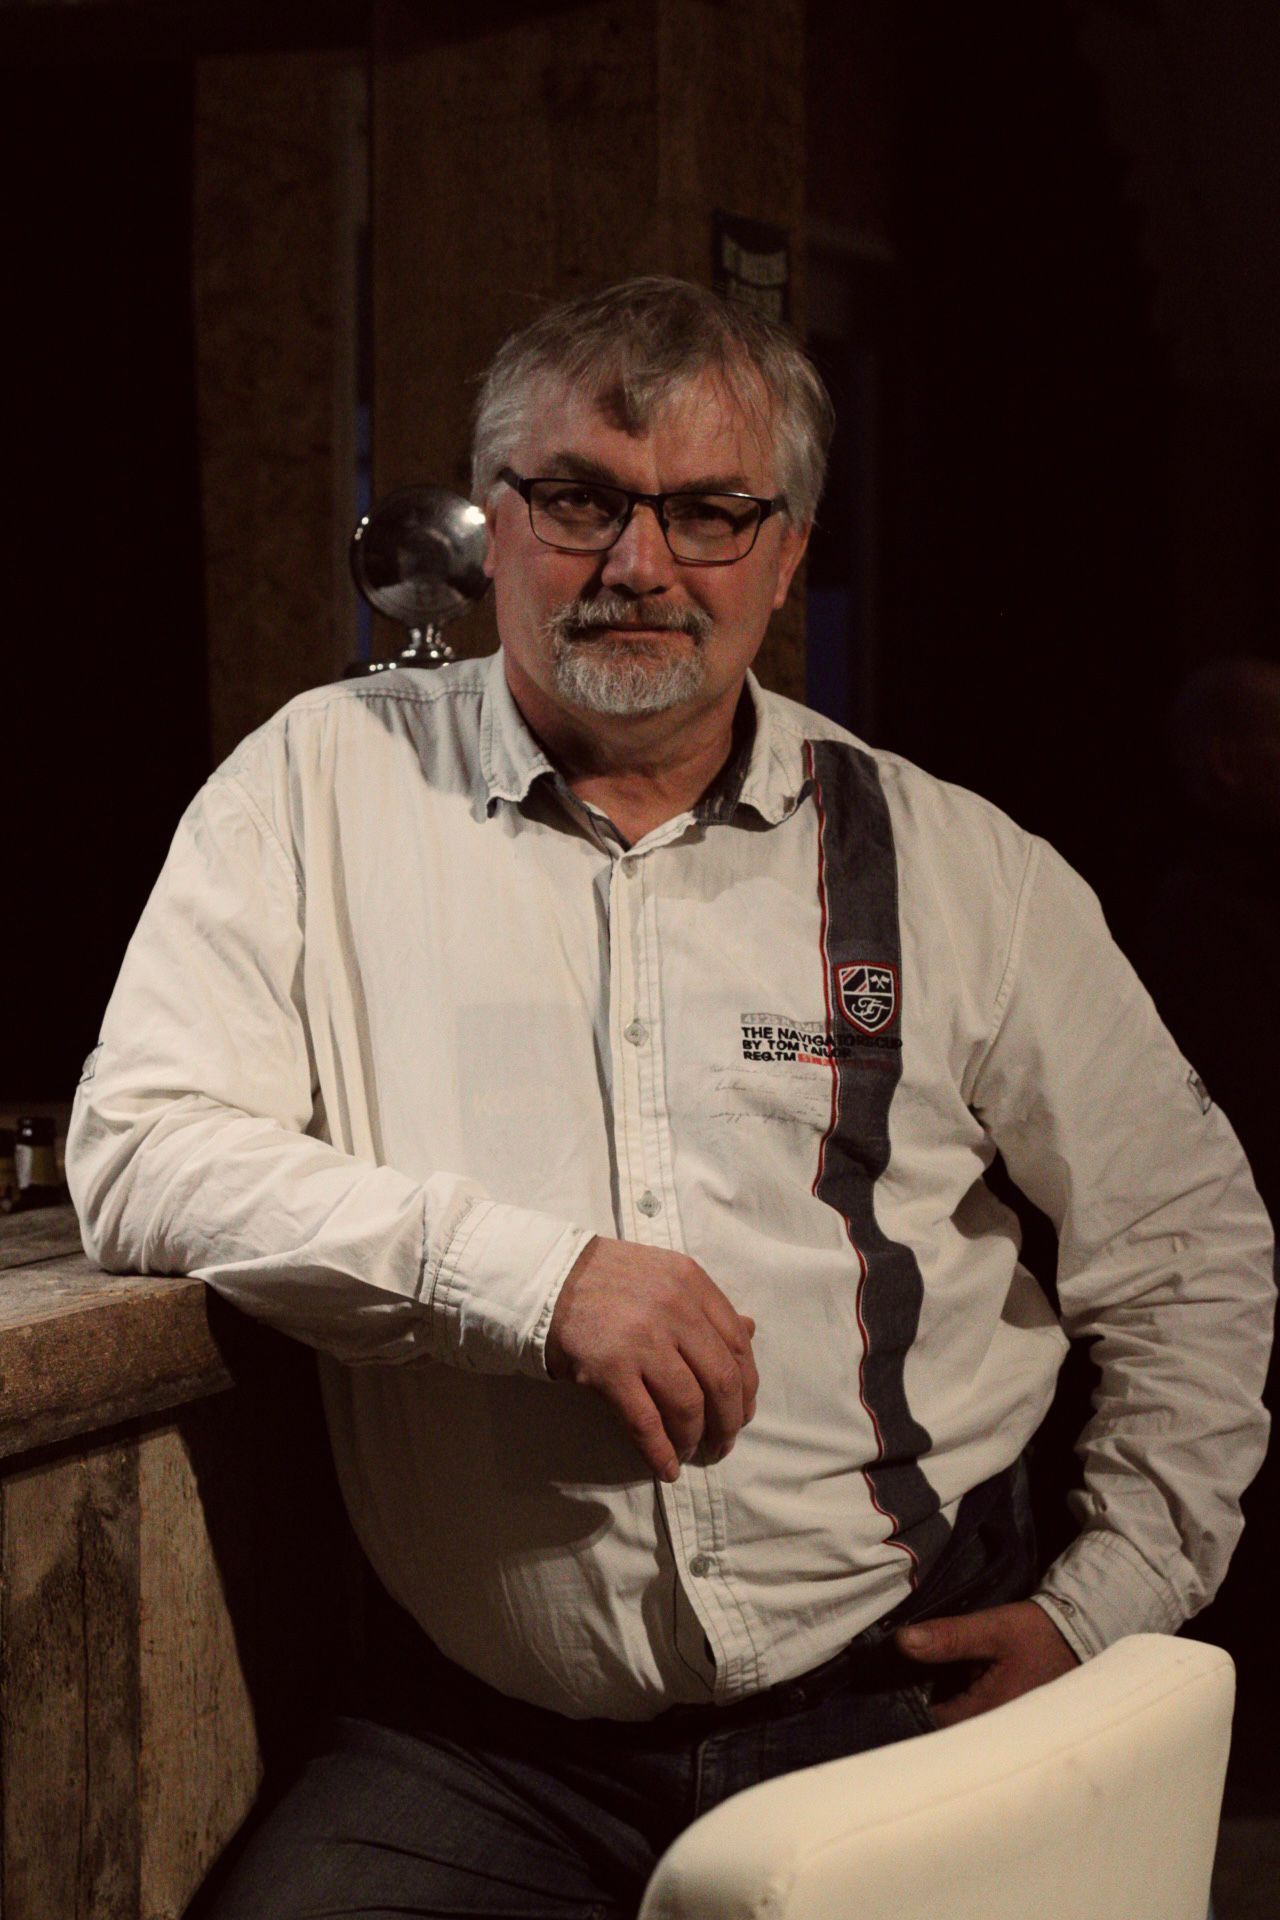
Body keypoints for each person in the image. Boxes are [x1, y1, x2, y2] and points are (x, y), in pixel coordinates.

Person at [67, 277, 1273, 1920]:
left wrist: (1109, 1596)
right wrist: (533, 1280)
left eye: (710, 512)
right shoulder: (317, 782)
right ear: (495, 524)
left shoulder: (962, 867)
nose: (640, 563)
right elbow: (141, 1149)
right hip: (486, 1743)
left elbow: (1190, 1242)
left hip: (901, 1698)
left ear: (786, 554)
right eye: (581, 500)